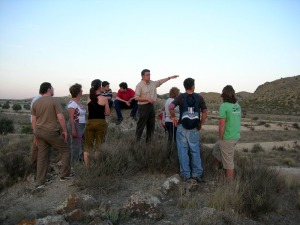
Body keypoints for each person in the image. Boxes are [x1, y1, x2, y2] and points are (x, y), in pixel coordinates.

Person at [31, 82, 73, 189]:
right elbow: (60, 118)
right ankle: (65, 175)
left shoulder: (35, 102)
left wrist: (35, 134)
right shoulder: (54, 101)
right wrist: (65, 130)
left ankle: (40, 182)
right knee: (65, 150)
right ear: (49, 89)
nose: (53, 90)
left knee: (42, 156)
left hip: (39, 132)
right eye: (52, 88)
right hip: (50, 131)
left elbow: (34, 120)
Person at [169, 78, 207, 182]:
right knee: (195, 150)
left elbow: (170, 106)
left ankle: (186, 174)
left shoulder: (181, 97)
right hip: (194, 128)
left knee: (182, 151)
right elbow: (204, 112)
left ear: (184, 86)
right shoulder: (199, 97)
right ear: (193, 86)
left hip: (182, 127)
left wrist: (174, 117)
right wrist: (200, 123)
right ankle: (197, 174)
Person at [135, 69, 179, 142]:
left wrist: (169, 78)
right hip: (143, 107)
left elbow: (160, 81)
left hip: (151, 107)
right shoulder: (139, 85)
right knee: (141, 125)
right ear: (142, 76)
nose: (149, 76)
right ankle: (136, 142)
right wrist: (147, 99)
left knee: (151, 125)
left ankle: (148, 143)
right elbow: (136, 97)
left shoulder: (152, 83)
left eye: (149, 74)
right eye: (147, 75)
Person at [212, 85, 241, 182]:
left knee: (229, 162)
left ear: (223, 95)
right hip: (235, 136)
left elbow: (221, 124)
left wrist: (220, 138)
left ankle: (230, 186)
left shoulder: (224, 106)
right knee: (216, 150)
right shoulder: (237, 105)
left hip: (227, 138)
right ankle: (215, 172)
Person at [84, 79, 110, 165]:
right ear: (100, 86)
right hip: (100, 123)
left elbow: (87, 111)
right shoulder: (104, 98)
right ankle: (97, 167)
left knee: (87, 148)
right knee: (98, 147)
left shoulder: (88, 98)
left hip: (90, 122)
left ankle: (87, 168)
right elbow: (107, 113)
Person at [67, 83, 86, 166]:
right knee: (76, 146)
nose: (82, 91)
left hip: (81, 126)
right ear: (78, 92)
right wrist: (73, 129)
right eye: (81, 90)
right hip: (76, 126)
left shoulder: (78, 102)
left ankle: (80, 161)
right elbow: (71, 117)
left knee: (82, 145)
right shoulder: (72, 104)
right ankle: (73, 165)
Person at [164, 87, 180, 158]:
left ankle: (169, 155)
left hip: (167, 121)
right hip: (172, 122)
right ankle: (172, 156)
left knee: (170, 138)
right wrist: (174, 117)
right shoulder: (174, 101)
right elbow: (173, 109)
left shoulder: (167, 100)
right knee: (175, 139)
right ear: (176, 93)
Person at [30, 93, 42, 169]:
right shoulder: (38, 99)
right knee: (36, 144)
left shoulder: (37, 99)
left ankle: (36, 164)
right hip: (38, 125)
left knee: (37, 144)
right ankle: (35, 164)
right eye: (52, 88)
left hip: (38, 124)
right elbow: (34, 116)